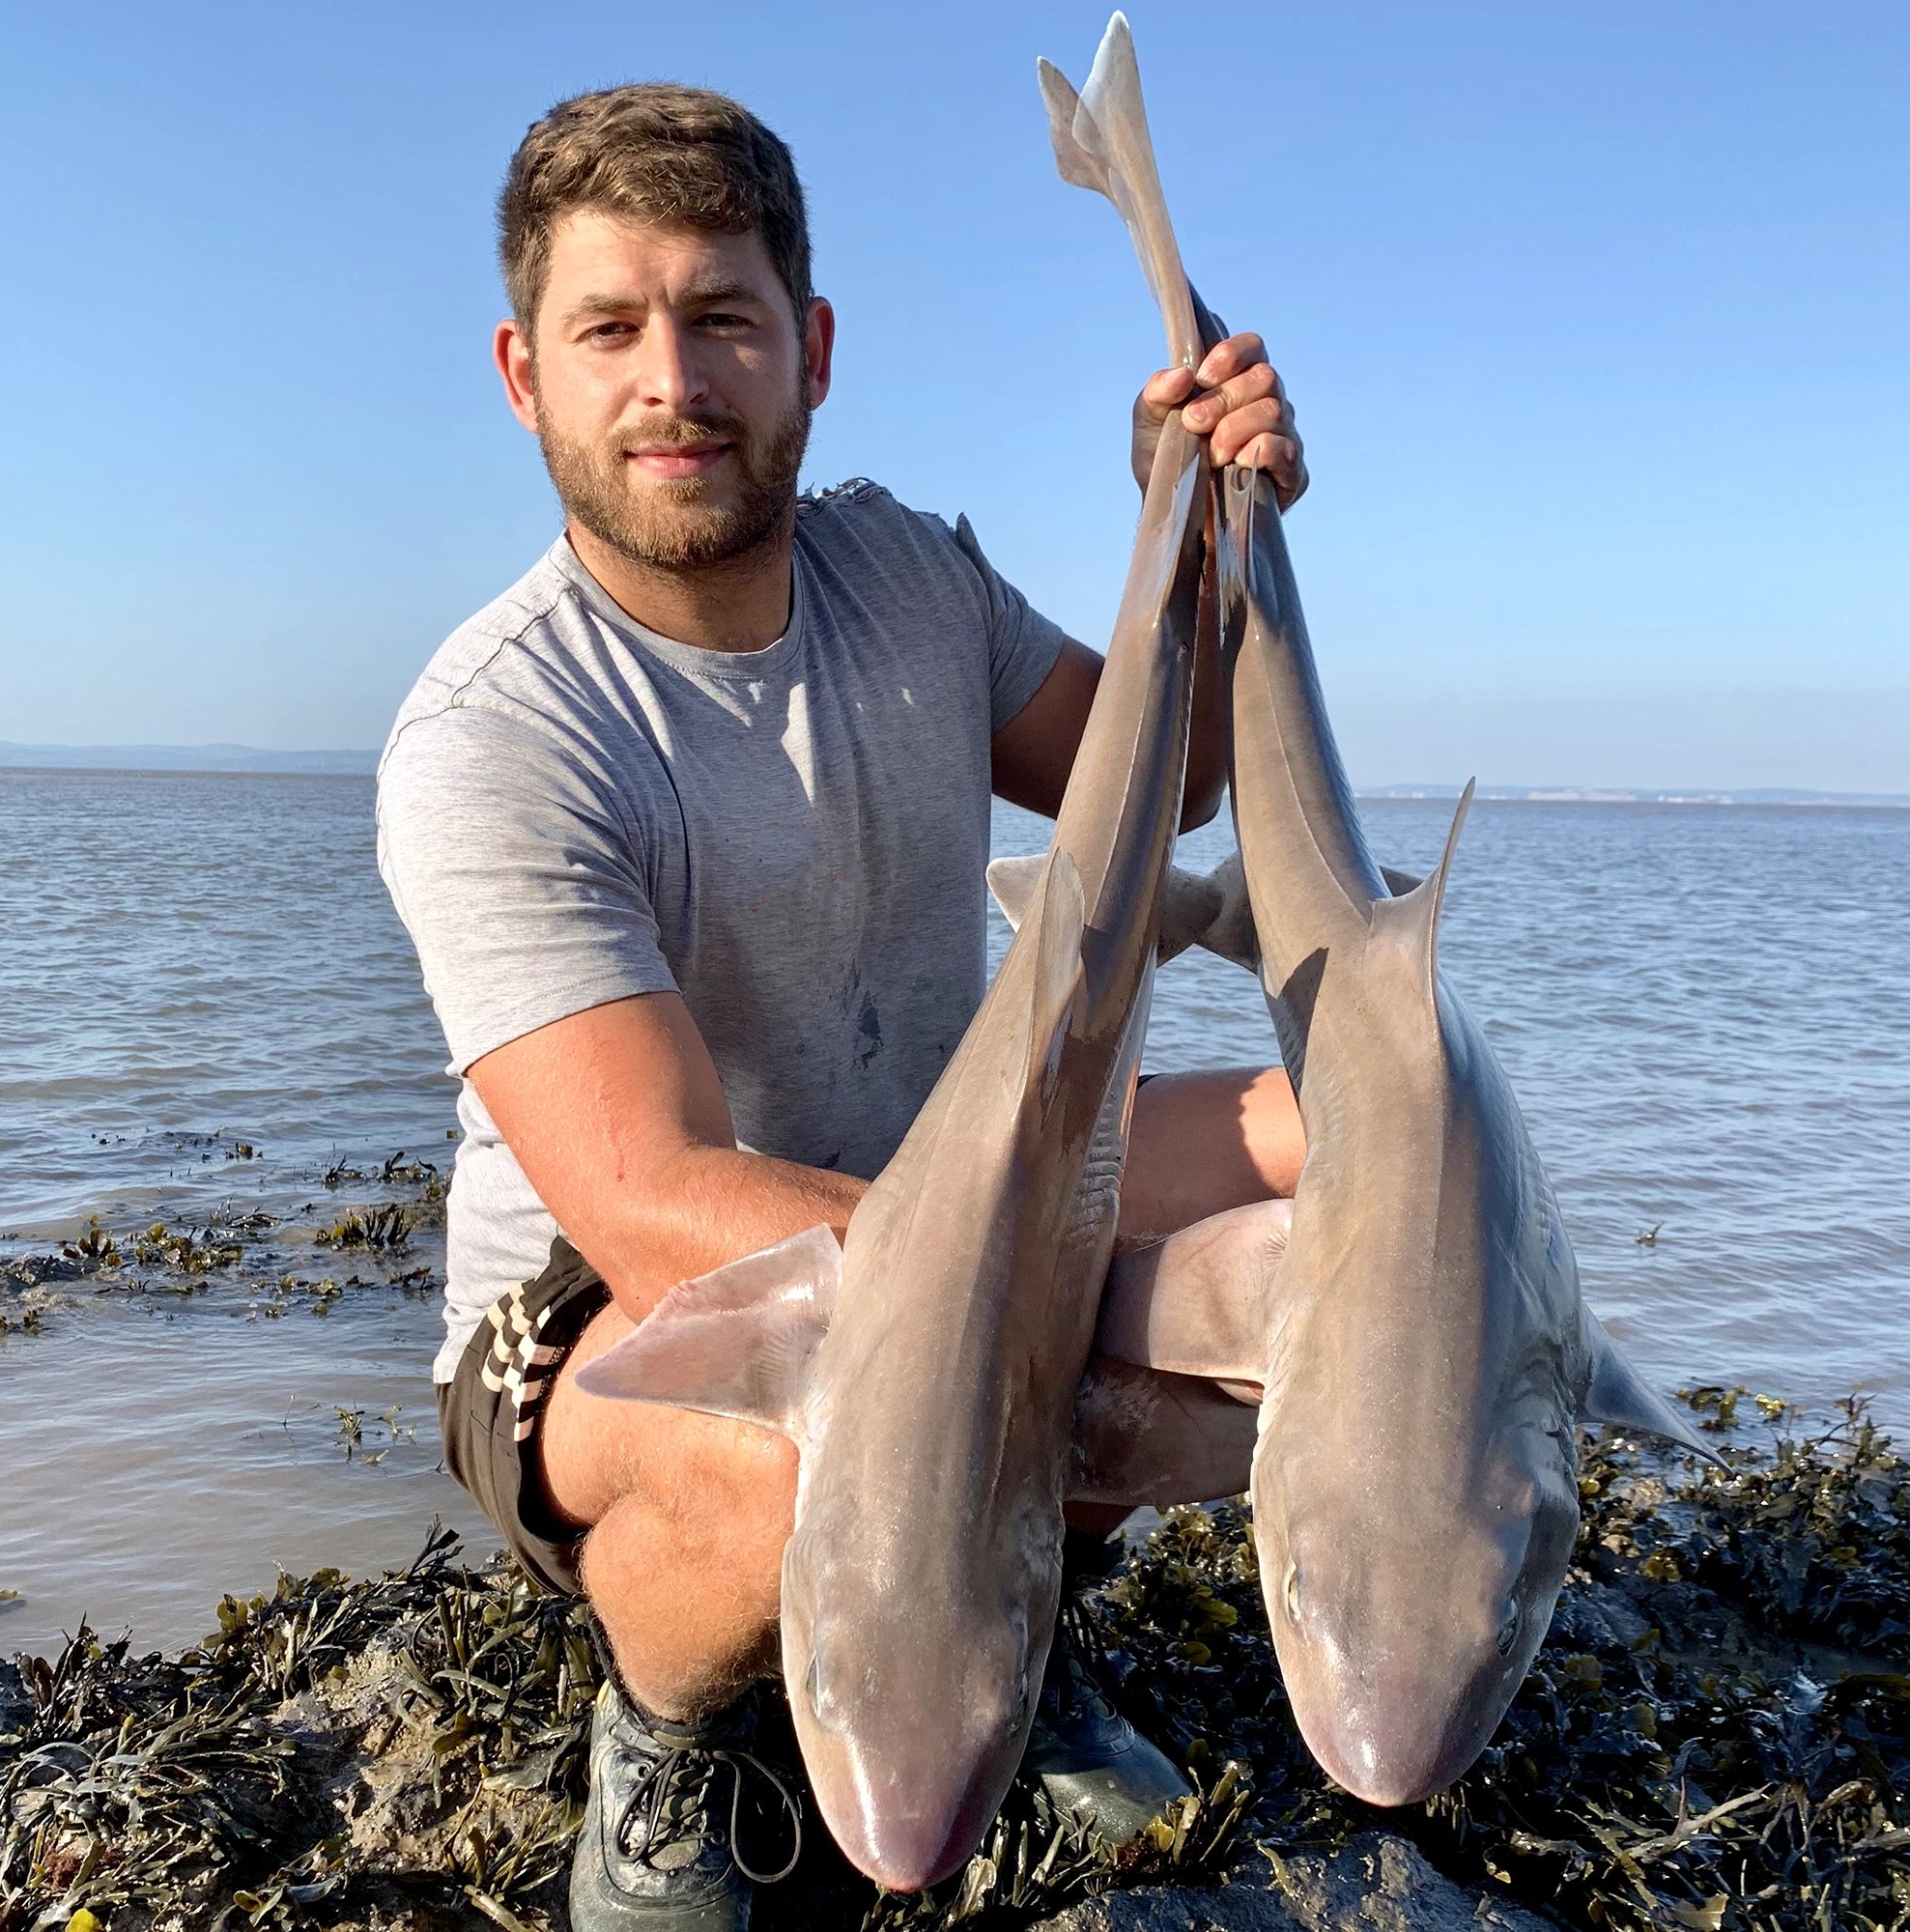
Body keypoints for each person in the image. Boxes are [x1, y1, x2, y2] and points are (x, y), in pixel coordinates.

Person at [377, 81, 1309, 1932]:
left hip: (938, 1200)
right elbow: (649, 1201)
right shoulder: (498, 734)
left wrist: (1195, 529)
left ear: (806, 350)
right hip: (595, 1318)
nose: (672, 379)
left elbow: (1177, 771)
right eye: (609, 330)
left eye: (722, 319)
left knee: (1341, 1168)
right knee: (804, 1443)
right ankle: (668, 1738)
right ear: (522, 373)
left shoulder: (908, 578)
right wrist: (1050, 1317)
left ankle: (1016, 1624)